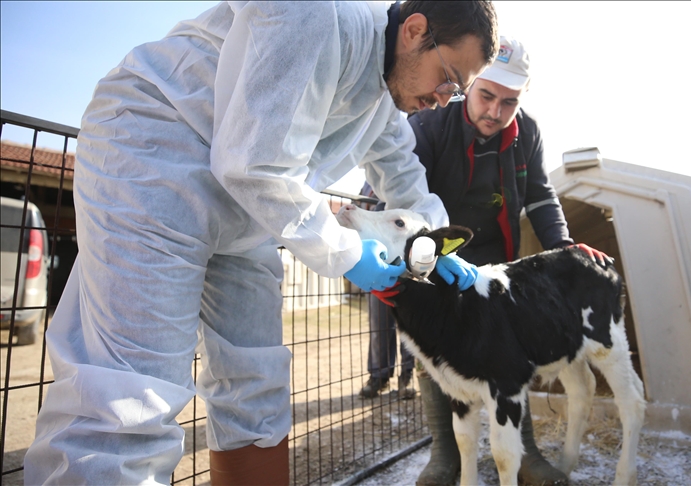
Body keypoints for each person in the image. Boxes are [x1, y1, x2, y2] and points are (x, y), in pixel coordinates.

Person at [23, 2, 497, 484]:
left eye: (456, 92)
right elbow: (253, 164)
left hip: (248, 207)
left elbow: (406, 179)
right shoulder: (318, 15)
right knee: (132, 395)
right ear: (415, 32)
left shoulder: (383, 98)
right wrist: (349, 253)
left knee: (257, 383)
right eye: (448, 78)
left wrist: (440, 249)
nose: (444, 98)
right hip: (155, 158)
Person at [407, 36, 612, 486]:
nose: (495, 112)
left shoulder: (529, 133)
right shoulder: (430, 124)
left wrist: (565, 246)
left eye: (509, 102)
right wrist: (427, 253)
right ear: (470, 84)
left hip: (497, 261)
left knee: (507, 355)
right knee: (438, 351)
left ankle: (527, 455)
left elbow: (540, 195)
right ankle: (444, 455)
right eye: (486, 96)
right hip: (437, 255)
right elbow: (405, 192)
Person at [356, 182, 416, 399]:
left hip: (402, 261)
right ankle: (379, 375)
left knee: (407, 321)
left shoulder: (396, 176)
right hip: (370, 262)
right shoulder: (364, 190)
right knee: (379, 323)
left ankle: (407, 375)